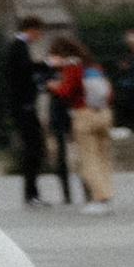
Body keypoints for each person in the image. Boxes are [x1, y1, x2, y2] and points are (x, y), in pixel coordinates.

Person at [9, 14, 52, 204]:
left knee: (35, 147)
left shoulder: (19, 46)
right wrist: (47, 64)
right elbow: (24, 70)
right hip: (24, 106)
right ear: (32, 29)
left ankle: (32, 192)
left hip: (25, 105)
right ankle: (31, 192)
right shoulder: (18, 46)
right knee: (34, 147)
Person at [46, 32, 86, 205]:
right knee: (78, 153)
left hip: (64, 112)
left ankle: (69, 193)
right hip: (72, 112)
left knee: (66, 154)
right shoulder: (80, 64)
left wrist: (53, 86)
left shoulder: (69, 67)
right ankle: (85, 191)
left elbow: (65, 91)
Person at [75, 53, 116, 211]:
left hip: (85, 113)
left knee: (88, 159)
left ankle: (98, 197)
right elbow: (109, 94)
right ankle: (107, 191)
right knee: (103, 157)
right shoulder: (96, 70)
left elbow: (67, 91)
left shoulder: (75, 69)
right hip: (104, 113)